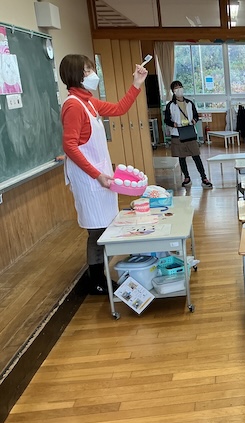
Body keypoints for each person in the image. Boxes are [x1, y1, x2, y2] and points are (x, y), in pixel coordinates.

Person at [60, 54, 148, 295]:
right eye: (88, 71)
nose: (93, 75)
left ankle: (101, 275)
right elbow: (69, 146)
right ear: (76, 75)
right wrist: (96, 174)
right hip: (89, 177)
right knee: (96, 229)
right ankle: (96, 280)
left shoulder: (88, 102)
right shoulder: (73, 105)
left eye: (91, 69)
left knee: (104, 225)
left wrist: (136, 83)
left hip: (99, 175)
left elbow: (119, 108)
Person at [164, 81, 212, 188]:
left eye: (180, 87)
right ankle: (186, 177)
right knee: (182, 157)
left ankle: (204, 177)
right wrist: (174, 124)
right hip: (177, 133)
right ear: (173, 91)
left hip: (190, 132)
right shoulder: (170, 105)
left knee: (196, 156)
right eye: (176, 88)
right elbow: (166, 120)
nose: (179, 89)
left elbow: (196, 116)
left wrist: (194, 120)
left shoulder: (189, 103)